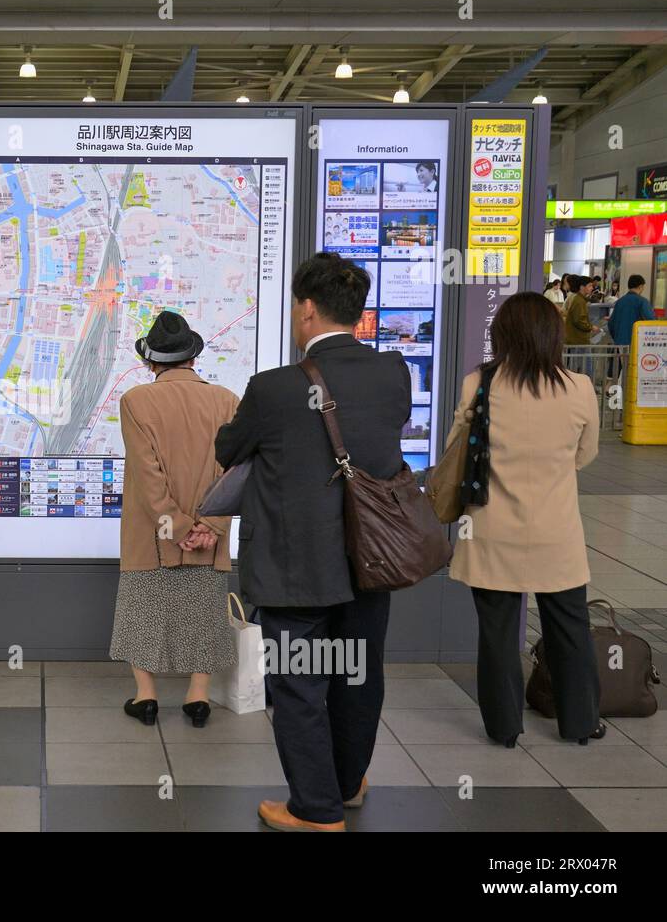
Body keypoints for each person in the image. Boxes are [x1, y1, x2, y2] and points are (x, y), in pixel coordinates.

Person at [215, 252, 409, 832]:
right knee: (358, 673)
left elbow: (230, 450)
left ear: (305, 309)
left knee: (298, 685)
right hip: (372, 557)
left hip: (296, 570)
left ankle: (316, 809)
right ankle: (347, 784)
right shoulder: (393, 373)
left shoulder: (273, 389)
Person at [445, 291, 604, 747]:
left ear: (503, 335)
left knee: (497, 634)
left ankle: (504, 728)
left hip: (492, 530)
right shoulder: (578, 387)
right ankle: (579, 722)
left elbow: (457, 448)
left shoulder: (481, 383)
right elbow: (585, 456)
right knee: (570, 628)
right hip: (557, 533)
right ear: (553, 334)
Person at [109, 311, 240, 729]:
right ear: (192, 357)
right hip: (211, 533)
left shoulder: (136, 401)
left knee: (143, 608)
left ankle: (146, 697)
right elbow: (232, 470)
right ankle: (197, 697)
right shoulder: (226, 400)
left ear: (151, 361)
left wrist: (177, 526)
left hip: (152, 534)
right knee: (203, 610)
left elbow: (148, 475)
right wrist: (210, 527)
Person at [609, 274, 654, 347]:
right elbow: (651, 322)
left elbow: (611, 323)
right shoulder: (642, 302)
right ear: (640, 286)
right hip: (637, 344)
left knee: (622, 358)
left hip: (619, 344)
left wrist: (617, 338)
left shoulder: (619, 301)